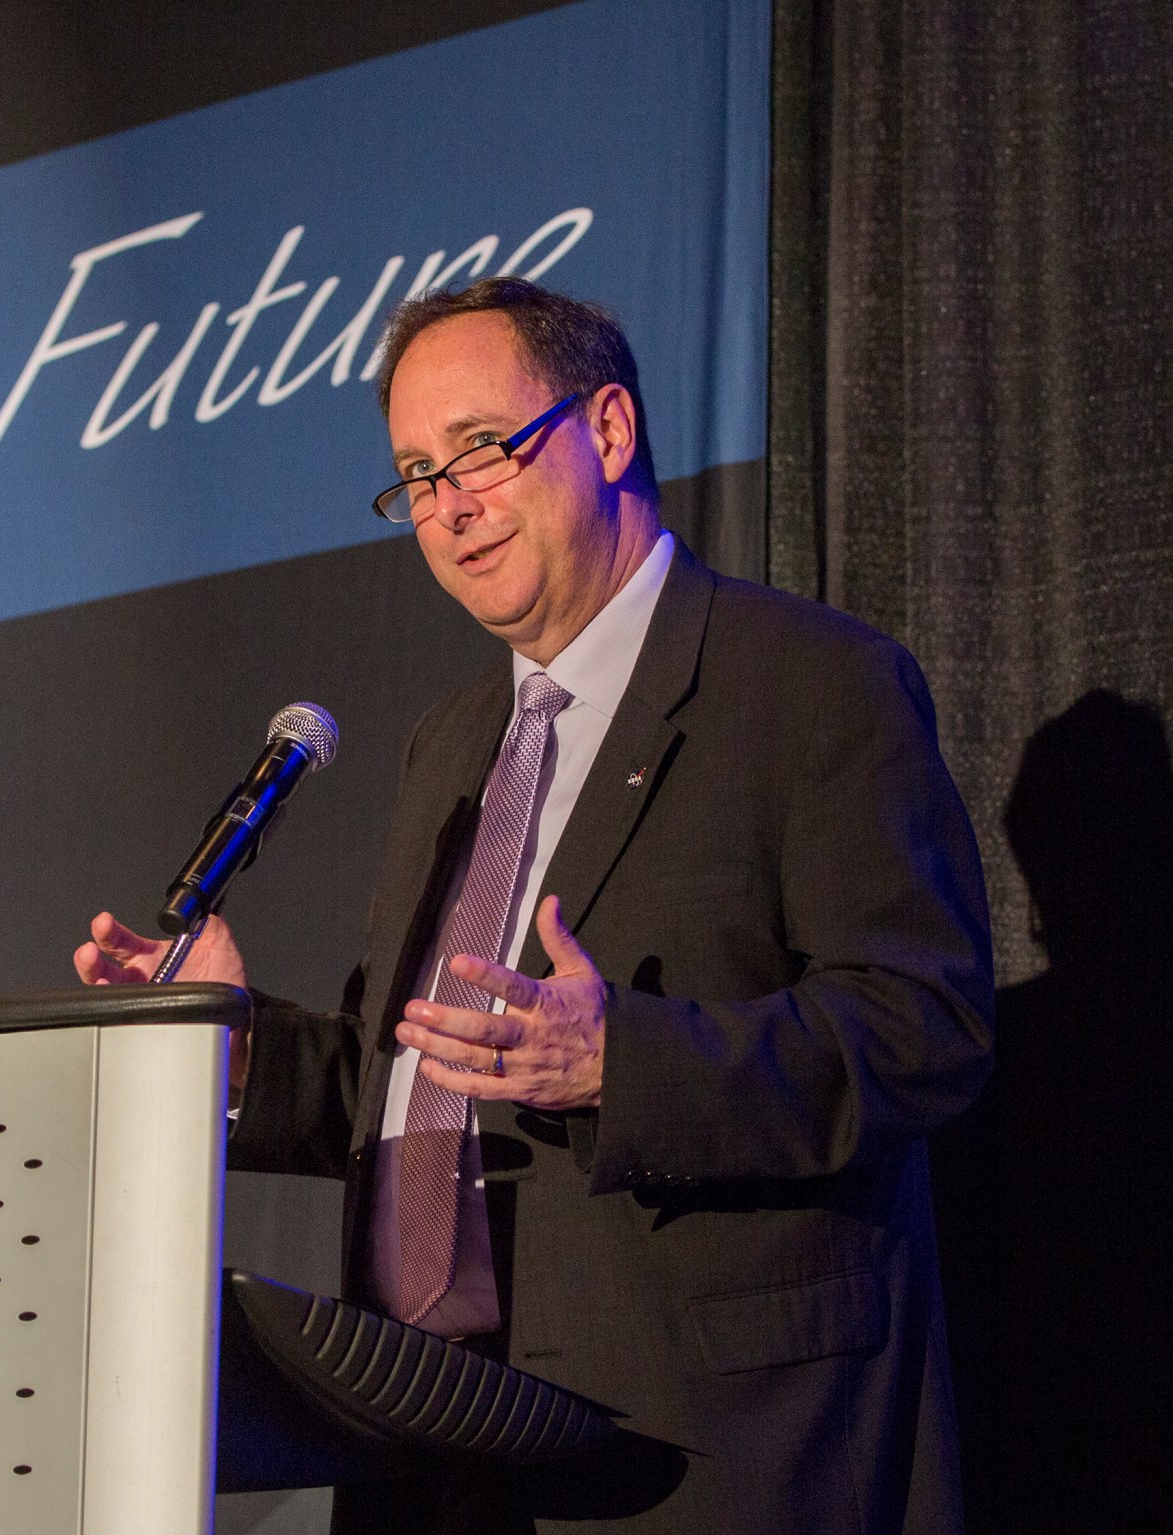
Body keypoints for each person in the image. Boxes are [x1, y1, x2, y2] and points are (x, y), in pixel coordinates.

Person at [75, 278, 994, 1533]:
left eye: (479, 451)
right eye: (414, 475)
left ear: (606, 430)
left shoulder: (808, 683)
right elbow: (408, 1075)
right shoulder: (449, 745)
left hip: (702, 1440)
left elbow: (920, 1028)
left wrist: (621, 1058)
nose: (448, 507)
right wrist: (233, 1048)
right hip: (436, 1438)